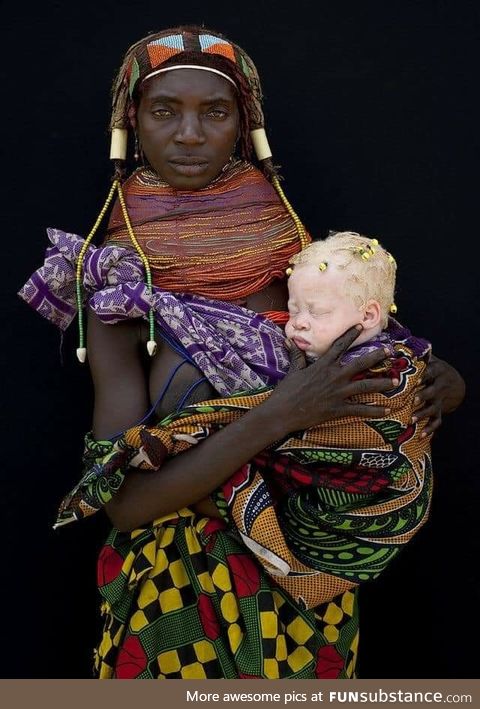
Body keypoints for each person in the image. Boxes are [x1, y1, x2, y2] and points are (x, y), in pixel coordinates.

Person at [18, 25, 464, 680]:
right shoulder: (117, 278)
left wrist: (442, 381)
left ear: (244, 121)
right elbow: (126, 502)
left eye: (215, 111)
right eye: (166, 111)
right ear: (131, 121)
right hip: (176, 587)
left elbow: (380, 358)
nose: (191, 134)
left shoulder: (298, 249)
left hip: (310, 577)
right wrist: (280, 413)